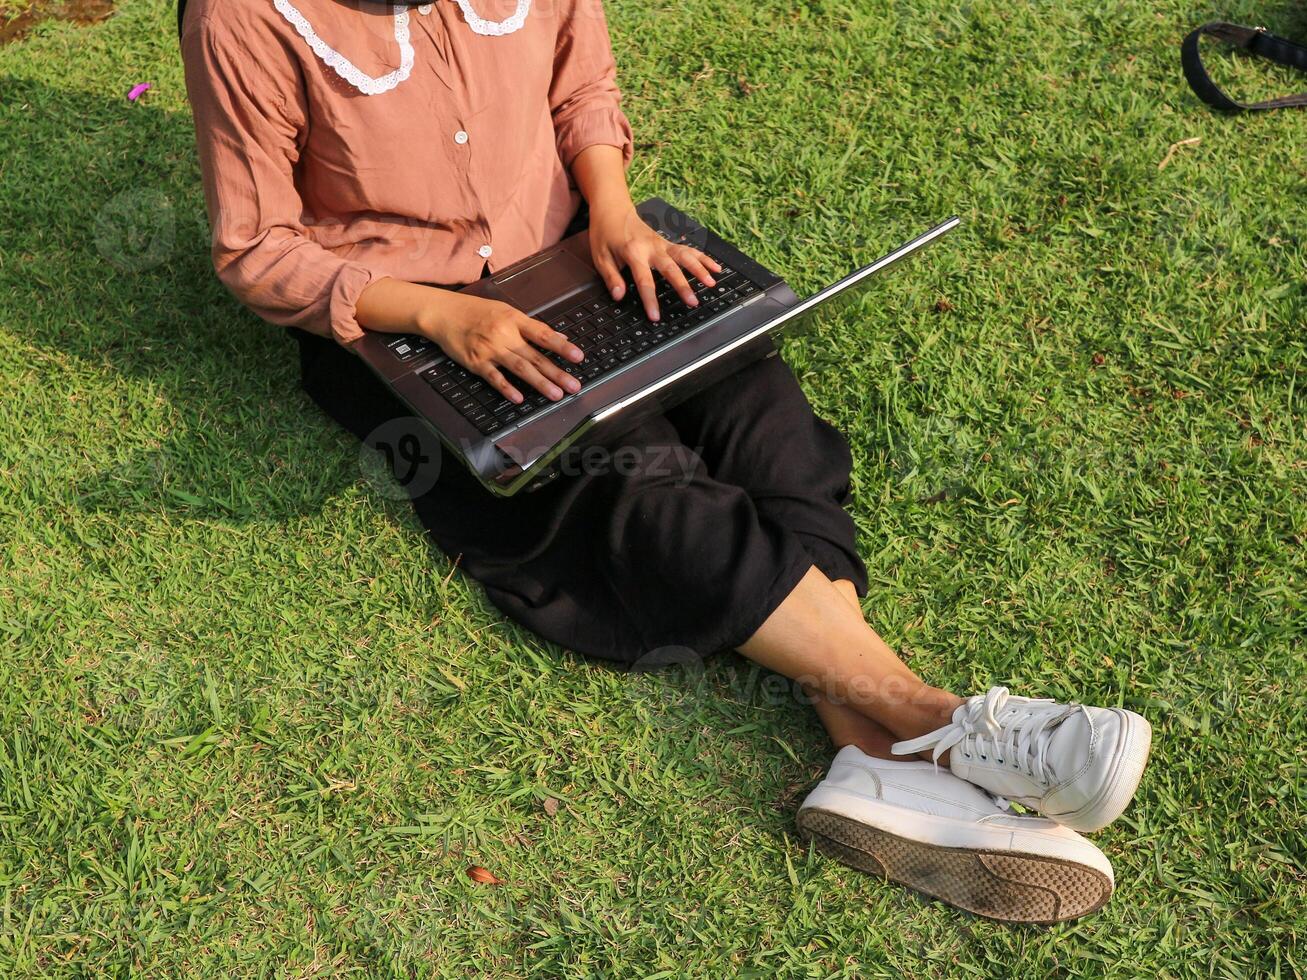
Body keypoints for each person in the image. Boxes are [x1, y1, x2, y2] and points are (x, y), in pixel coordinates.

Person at [180, 0, 1152, 922]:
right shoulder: (244, 19)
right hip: (407, 328)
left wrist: (610, 207)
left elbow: (581, 89)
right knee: (629, 476)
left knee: (758, 406)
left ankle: (872, 756)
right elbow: (255, 247)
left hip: (575, 258)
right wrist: (435, 312)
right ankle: (932, 719)